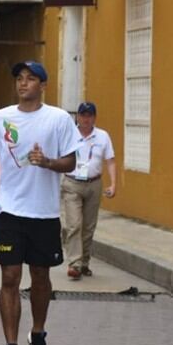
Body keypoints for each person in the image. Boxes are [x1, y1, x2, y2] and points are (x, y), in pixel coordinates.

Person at [0, 61, 81, 345]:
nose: (23, 83)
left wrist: (47, 161)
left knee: (40, 276)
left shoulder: (58, 119)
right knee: (9, 277)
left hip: (44, 212)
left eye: (31, 79)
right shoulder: (0, 118)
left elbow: (71, 162)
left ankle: (37, 333)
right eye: (19, 78)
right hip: (8, 210)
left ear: (43, 85)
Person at [60, 101, 116, 279]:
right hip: (72, 183)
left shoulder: (102, 136)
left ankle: (84, 262)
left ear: (94, 117)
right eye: (83, 115)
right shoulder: (69, 134)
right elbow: (57, 156)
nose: (86, 119)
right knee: (74, 224)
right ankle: (75, 264)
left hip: (93, 183)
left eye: (89, 115)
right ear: (77, 117)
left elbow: (111, 161)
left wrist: (113, 184)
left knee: (89, 227)